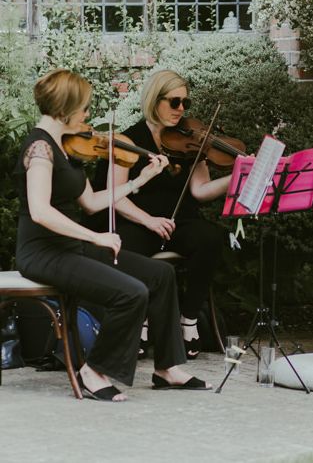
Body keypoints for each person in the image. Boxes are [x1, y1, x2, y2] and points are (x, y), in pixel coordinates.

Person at [15, 69, 209, 402]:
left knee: (160, 274)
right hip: (43, 253)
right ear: (65, 108)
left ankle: (168, 368)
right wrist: (95, 238)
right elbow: (40, 211)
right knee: (131, 293)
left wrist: (139, 180)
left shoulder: (65, 148)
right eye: (84, 108)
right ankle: (94, 370)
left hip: (70, 248)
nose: (88, 115)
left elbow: (91, 202)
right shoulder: (40, 150)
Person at [92, 70, 230, 359]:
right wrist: (149, 220)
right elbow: (115, 196)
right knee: (125, 248)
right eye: (174, 102)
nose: (181, 110)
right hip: (140, 221)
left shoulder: (189, 140)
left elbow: (201, 190)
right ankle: (139, 320)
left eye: (185, 104)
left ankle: (188, 319)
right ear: (155, 100)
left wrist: (237, 177)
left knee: (212, 238)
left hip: (178, 221)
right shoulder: (129, 139)